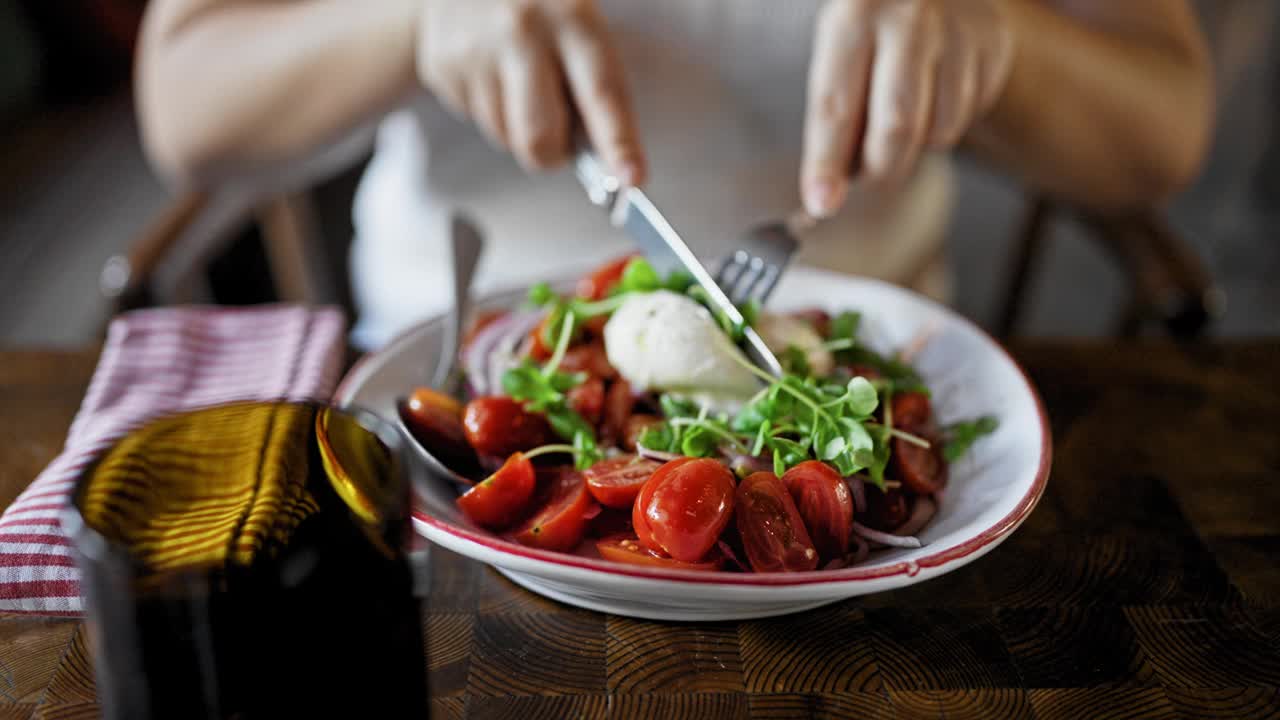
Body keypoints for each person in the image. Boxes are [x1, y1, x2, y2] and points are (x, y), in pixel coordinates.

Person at [136, 0, 1214, 348]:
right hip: (447, 379)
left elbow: (1162, 125)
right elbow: (184, 98)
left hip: (869, 371)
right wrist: (413, 21)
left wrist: (1002, 43)